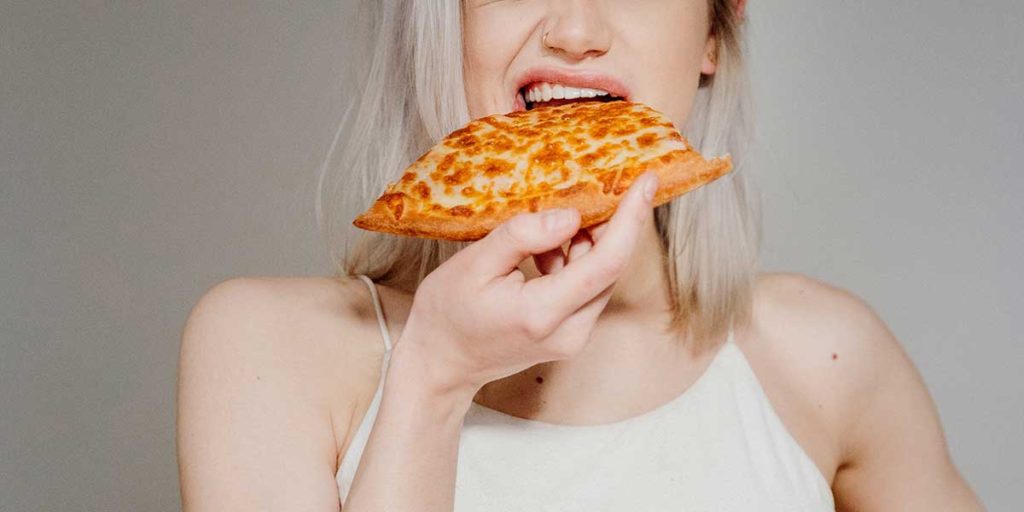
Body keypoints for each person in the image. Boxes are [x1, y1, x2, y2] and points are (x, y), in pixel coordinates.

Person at [176, 1, 984, 510]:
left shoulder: (825, 358)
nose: (572, 30)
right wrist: (434, 380)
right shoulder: (267, 351)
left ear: (716, 25)